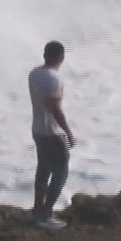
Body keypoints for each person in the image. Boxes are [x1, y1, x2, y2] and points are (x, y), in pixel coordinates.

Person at [28, 41, 75, 229]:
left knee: (43, 170)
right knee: (61, 171)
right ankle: (45, 214)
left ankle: (37, 209)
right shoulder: (54, 79)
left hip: (37, 130)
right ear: (60, 57)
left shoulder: (34, 73)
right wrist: (69, 133)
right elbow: (55, 109)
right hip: (51, 133)